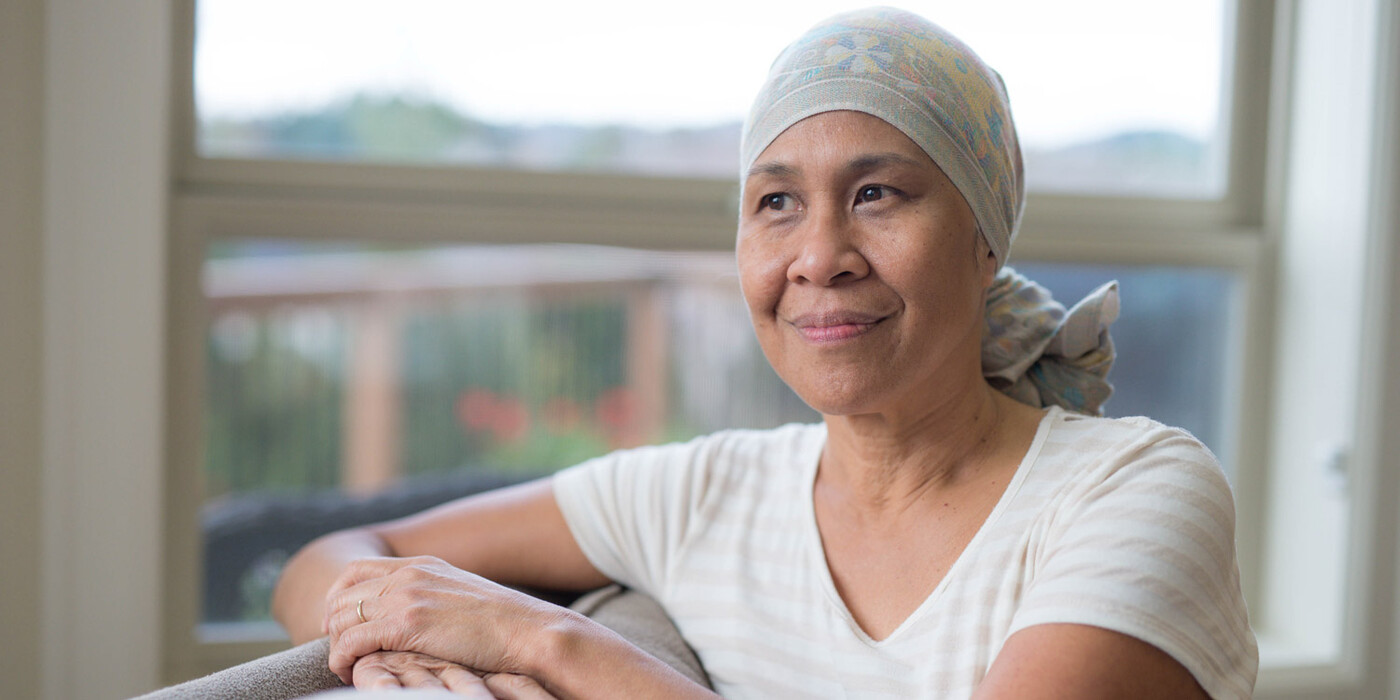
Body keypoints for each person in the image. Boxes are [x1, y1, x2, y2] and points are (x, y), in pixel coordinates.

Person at [271, 7, 1258, 698]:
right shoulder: (705, 496)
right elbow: (332, 560)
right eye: (775, 203)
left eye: (878, 193)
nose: (817, 257)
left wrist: (547, 641)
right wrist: (403, 642)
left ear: (982, 235)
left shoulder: (1132, 490)